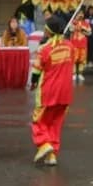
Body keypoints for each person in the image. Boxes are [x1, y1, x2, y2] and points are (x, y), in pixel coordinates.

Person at [31, 15, 74, 166]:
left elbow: (36, 71)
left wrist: (33, 84)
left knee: (39, 121)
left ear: (48, 31)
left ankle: (44, 144)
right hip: (65, 92)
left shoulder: (44, 49)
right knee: (56, 123)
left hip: (48, 91)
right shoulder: (70, 46)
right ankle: (52, 155)